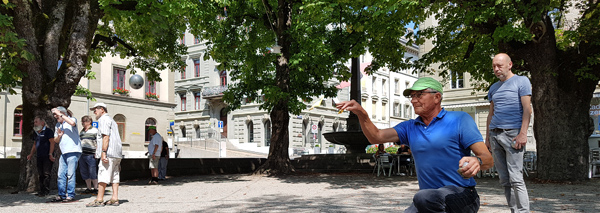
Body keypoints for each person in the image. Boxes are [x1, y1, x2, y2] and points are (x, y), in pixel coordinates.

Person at [337, 77, 493, 212]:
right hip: (429, 200)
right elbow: (376, 137)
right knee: (424, 198)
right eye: (412, 96)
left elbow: (488, 159)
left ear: (437, 97)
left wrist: (477, 161)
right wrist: (361, 113)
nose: (413, 100)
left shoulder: (460, 119)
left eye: (419, 95)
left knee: (424, 197)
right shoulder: (409, 127)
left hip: (462, 195)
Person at [486, 53, 532, 212]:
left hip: (513, 134)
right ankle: (514, 210)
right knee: (504, 180)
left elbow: (527, 109)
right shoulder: (493, 87)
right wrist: (487, 138)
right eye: (494, 66)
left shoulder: (522, 81)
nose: (496, 69)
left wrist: (523, 133)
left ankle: (523, 211)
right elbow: (490, 114)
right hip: (495, 135)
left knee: (516, 178)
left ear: (510, 64)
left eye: (499, 65)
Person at [86, 103, 123, 207]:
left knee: (103, 174)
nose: (94, 112)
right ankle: (115, 198)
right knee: (115, 175)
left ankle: (99, 199)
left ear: (102, 109)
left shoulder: (103, 120)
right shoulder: (112, 120)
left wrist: (103, 152)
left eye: (95, 110)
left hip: (109, 152)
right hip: (117, 153)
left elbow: (105, 136)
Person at [51, 106, 82, 202]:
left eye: (57, 115)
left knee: (70, 174)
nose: (56, 117)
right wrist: (59, 136)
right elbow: (55, 140)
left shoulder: (72, 119)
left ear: (62, 113)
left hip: (73, 151)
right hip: (63, 152)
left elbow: (72, 123)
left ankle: (71, 194)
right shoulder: (58, 125)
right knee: (60, 174)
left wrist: (60, 113)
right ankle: (61, 195)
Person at [26, 116, 55, 197]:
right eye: (34, 122)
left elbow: (52, 143)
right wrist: (31, 154)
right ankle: (41, 190)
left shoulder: (48, 131)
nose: (35, 123)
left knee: (46, 174)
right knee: (40, 174)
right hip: (39, 155)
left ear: (42, 123)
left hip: (47, 155)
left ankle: (46, 190)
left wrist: (50, 154)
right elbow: (35, 144)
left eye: (36, 122)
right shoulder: (36, 132)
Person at [79, 115, 99, 195]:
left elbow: (98, 142)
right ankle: (88, 188)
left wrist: (97, 153)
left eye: (84, 121)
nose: (82, 123)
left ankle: (96, 188)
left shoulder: (95, 130)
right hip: (82, 154)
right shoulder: (82, 131)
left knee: (92, 171)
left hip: (91, 154)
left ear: (89, 122)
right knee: (84, 171)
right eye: (82, 121)